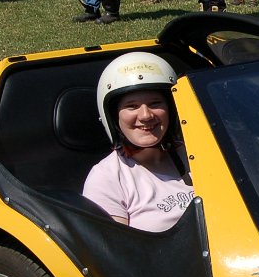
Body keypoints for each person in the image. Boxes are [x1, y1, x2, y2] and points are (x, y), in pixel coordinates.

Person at [83, 52, 195, 232]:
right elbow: (116, 250)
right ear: (113, 117)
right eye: (132, 106)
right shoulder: (107, 178)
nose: (146, 115)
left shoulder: (199, 155)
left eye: (155, 103)